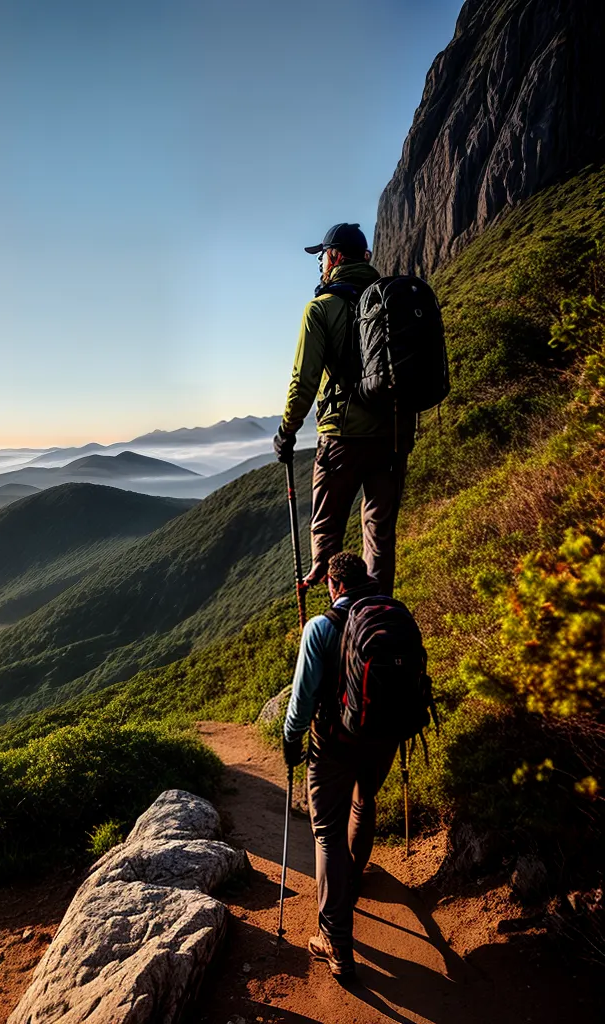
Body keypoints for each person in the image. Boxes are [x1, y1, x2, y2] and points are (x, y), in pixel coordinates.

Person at [272, 223, 414, 595]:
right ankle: (377, 616)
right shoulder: (390, 303)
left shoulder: (321, 309)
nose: (321, 265)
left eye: (322, 257)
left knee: (325, 533)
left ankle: (338, 615)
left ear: (334, 258)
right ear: (365, 258)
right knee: (379, 535)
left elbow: (303, 382)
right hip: (394, 435)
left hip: (343, 438)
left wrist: (286, 432)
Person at [282, 551, 399, 980]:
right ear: (364, 579)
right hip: (384, 738)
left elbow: (302, 698)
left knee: (326, 831)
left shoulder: (321, 627)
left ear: (333, 585)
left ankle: (336, 941)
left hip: (335, 743)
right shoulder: (389, 612)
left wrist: (291, 739)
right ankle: (353, 880)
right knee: (364, 801)